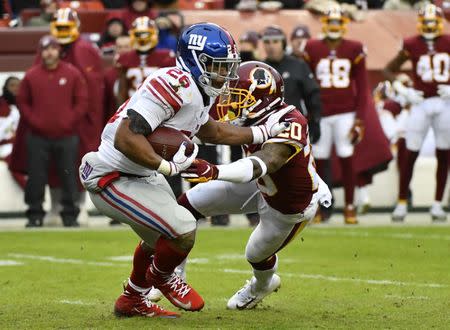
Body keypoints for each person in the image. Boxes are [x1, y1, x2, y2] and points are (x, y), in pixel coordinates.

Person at [78, 22, 291, 318]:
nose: (225, 74)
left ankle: (132, 299)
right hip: (112, 176)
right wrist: (166, 166)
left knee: (159, 239)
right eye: (218, 66)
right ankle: (162, 278)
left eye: (228, 66)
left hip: (140, 174)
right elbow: (125, 137)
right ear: (196, 61)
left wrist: (261, 133)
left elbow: (212, 131)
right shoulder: (174, 83)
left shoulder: (199, 90)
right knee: (182, 230)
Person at [177, 61, 331, 309]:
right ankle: (173, 274)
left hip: (288, 205)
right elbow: (213, 131)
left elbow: (265, 162)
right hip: (260, 184)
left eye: (237, 95)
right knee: (188, 204)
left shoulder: (291, 120)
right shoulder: (252, 117)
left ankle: (262, 285)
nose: (229, 101)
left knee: (255, 254)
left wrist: (216, 171)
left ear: (261, 98)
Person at [302, 4, 371, 224]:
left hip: (345, 112)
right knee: (319, 161)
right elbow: (307, 82)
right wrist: (310, 112)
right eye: (330, 22)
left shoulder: (355, 48)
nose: (334, 27)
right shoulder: (312, 47)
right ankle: (320, 207)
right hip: (321, 113)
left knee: (346, 156)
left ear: (344, 25)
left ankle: (349, 206)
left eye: (337, 23)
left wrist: (359, 118)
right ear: (324, 24)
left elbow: (362, 86)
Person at [384, 3, 450, 222]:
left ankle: (438, 204)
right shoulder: (411, 43)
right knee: (410, 153)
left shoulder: (448, 41)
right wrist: (404, 89)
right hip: (421, 103)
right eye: (426, 23)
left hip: (444, 103)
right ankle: (402, 202)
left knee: (444, 154)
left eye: (433, 23)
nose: (430, 27)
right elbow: (388, 69)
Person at [17, 35, 88, 228]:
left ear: (59, 51)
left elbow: (82, 101)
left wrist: (69, 121)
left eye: (53, 48)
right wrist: (34, 121)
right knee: (36, 176)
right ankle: (34, 214)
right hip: (37, 136)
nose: (49, 52)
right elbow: (22, 101)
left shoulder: (72, 73)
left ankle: (70, 215)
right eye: (45, 49)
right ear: (41, 52)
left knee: (68, 175)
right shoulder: (31, 75)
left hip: (66, 135)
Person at [261, 25, 322, 145]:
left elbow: (312, 95)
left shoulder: (298, 65)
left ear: (283, 43)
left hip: (294, 126)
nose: (271, 46)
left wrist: (315, 121)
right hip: (265, 127)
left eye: (275, 41)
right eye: (267, 42)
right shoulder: (258, 68)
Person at [116, 16, 175, 105]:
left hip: (158, 107)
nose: (142, 38)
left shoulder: (167, 56)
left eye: (146, 34)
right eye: (138, 34)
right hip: (131, 106)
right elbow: (121, 90)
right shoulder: (124, 58)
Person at [0, 77, 20, 160]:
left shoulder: (26, 105)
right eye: (12, 85)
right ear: (6, 87)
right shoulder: (1, 104)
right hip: (5, 144)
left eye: (19, 86)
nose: (16, 88)